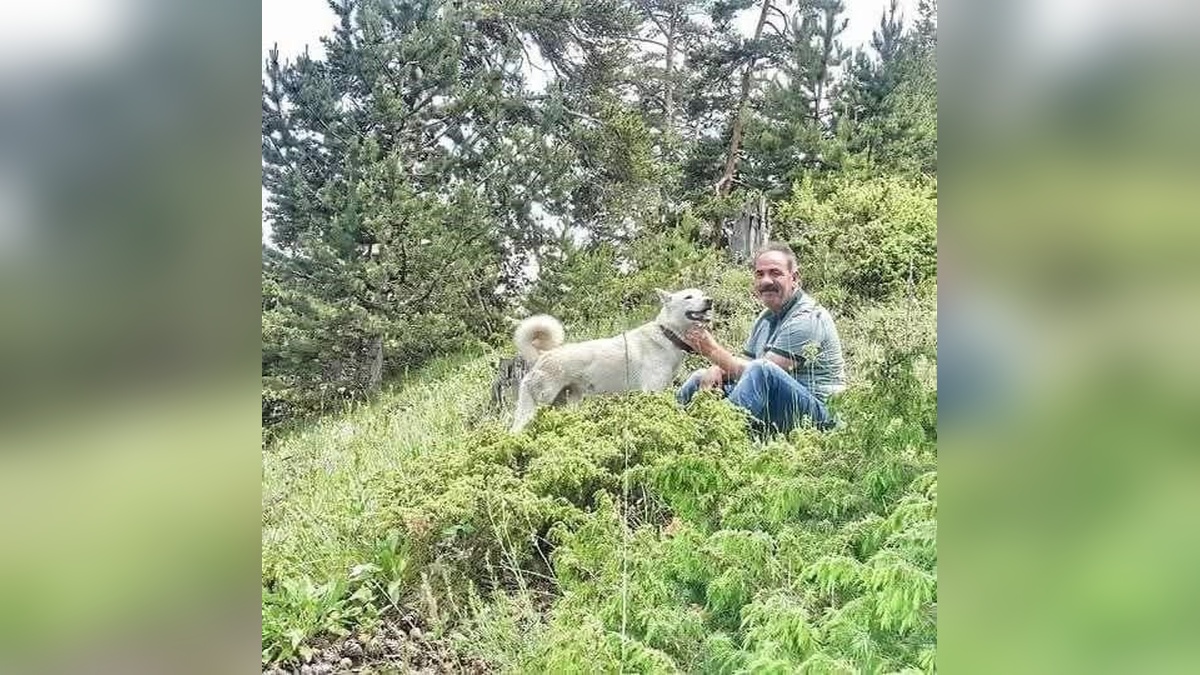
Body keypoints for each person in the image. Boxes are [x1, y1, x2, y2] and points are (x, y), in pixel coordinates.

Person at [678, 242, 846, 433]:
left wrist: (711, 351)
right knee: (701, 377)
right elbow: (743, 370)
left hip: (821, 416)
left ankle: (720, 438)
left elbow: (761, 374)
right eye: (760, 274)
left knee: (763, 370)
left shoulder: (808, 317)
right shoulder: (765, 319)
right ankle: (674, 435)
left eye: (775, 273)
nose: (766, 281)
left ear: (794, 278)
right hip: (780, 407)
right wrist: (716, 368)